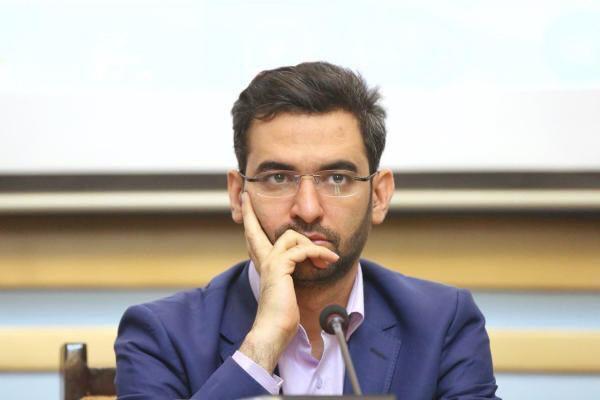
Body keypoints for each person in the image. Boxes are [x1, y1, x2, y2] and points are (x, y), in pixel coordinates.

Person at [114, 61, 500, 399]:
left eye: (337, 178)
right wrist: (262, 345)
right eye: (279, 178)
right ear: (237, 196)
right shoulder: (161, 336)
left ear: (379, 196)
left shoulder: (443, 323)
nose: (308, 209)